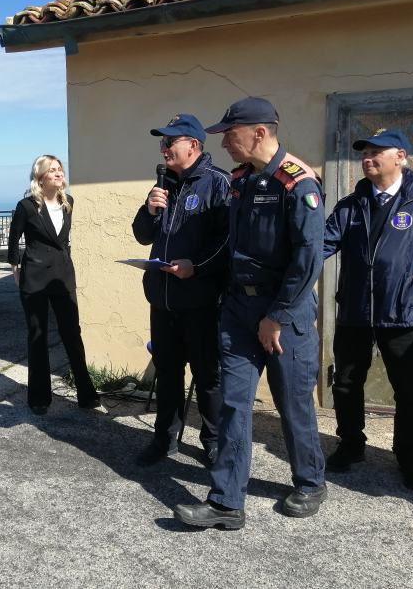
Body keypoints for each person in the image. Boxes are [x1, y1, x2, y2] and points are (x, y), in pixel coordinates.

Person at [174, 97, 327, 530]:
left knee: (293, 403)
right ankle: (226, 502)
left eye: (230, 133)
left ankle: (311, 481)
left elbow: (308, 258)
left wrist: (277, 315)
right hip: (239, 310)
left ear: (259, 132)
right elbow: (233, 247)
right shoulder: (241, 181)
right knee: (233, 406)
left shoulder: (298, 184)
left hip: (283, 313)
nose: (223, 143)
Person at [323, 128, 413, 491]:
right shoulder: (350, 206)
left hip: (403, 313)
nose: (367, 157)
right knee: (345, 384)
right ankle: (351, 444)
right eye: (364, 152)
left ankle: (408, 455)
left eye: (377, 151)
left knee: (409, 389)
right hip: (355, 312)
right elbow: (319, 246)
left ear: (400, 157)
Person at [131, 114, 228, 466]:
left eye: (170, 141)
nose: (164, 148)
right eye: (162, 142)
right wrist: (149, 208)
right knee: (168, 373)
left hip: (200, 302)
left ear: (194, 145)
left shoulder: (219, 184)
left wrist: (196, 267)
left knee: (208, 377)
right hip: (163, 299)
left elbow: (227, 241)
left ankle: (214, 442)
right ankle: (165, 439)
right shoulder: (163, 185)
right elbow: (142, 234)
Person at [7, 155, 100, 415]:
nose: (59, 174)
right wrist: (16, 270)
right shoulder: (26, 206)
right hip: (34, 279)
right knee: (38, 338)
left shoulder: (69, 202)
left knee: (72, 334)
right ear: (40, 178)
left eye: (60, 169)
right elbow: (14, 242)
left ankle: (86, 393)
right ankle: (39, 397)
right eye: (53, 171)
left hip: (63, 277)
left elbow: (64, 242)